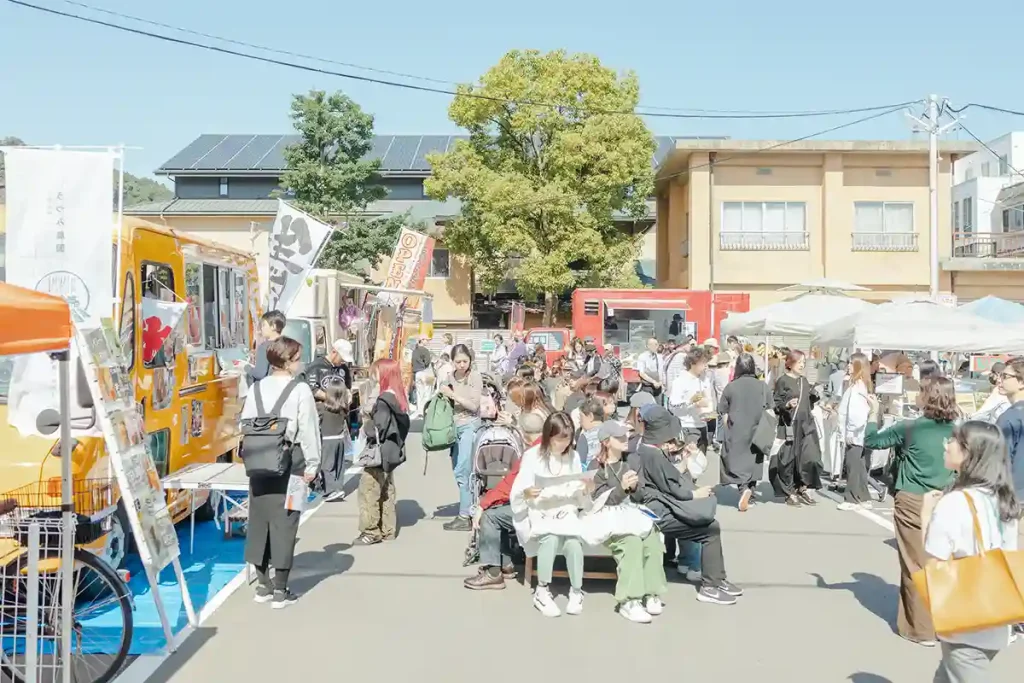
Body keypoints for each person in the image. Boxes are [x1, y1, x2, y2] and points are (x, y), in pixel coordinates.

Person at [865, 376, 957, 647]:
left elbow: (872, 440)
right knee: (941, 562)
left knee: (915, 563)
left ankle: (920, 629)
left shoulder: (910, 428)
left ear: (927, 397)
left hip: (913, 499)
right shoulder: (958, 431)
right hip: (946, 499)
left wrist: (873, 413)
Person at [926, 420, 1020, 681]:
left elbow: (933, 563)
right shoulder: (1003, 500)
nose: (947, 445)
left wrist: (926, 514)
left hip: (965, 624)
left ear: (970, 454)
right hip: (998, 618)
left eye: (954, 440)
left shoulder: (954, 503)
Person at [627, 405, 742, 605]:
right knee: (710, 530)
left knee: (711, 528)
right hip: (657, 512)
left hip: (656, 507)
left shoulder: (645, 447)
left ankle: (717, 579)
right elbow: (675, 488)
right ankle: (710, 586)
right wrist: (695, 494)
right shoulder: (653, 454)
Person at [242, 336, 321, 609]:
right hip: (293, 462)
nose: (301, 363)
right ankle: (280, 589)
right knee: (287, 521)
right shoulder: (300, 391)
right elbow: (309, 430)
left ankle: (262, 585)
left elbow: (245, 424)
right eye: (298, 358)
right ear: (287, 362)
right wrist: (313, 465)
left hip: (259, 463)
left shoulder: (256, 389)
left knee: (259, 520)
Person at [587, 420, 667, 624]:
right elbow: (597, 501)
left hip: (629, 515)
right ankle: (629, 600)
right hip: (606, 520)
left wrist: (635, 487)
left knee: (652, 537)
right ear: (606, 442)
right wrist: (621, 488)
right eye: (620, 437)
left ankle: (652, 592)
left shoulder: (631, 461)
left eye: (626, 436)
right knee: (631, 542)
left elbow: (641, 496)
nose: (625, 440)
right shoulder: (595, 467)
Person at [510, 412, 589, 617]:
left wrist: (583, 488)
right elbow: (519, 491)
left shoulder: (573, 456)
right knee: (550, 538)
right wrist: (526, 493)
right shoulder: (533, 455)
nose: (564, 444)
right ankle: (542, 589)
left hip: (566, 509)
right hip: (541, 509)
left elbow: (578, 491)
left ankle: (576, 590)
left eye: (568, 439)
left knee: (573, 542)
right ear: (549, 436)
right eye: (559, 439)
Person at [463, 411, 546, 590]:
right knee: (499, 509)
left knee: (491, 516)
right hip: (551, 508)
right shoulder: (551, 448)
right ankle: (505, 563)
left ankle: (493, 573)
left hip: (537, 511)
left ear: (523, 435)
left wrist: (482, 505)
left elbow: (510, 484)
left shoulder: (532, 454)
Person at [356, 358, 410, 545]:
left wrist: (365, 429)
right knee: (387, 490)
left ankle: (371, 531)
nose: (374, 374)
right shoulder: (397, 395)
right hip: (391, 450)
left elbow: (380, 426)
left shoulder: (383, 399)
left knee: (369, 489)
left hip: (378, 451)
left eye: (376, 371)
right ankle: (388, 529)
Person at [771, 349, 823, 506]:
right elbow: (776, 403)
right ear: (790, 362)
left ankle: (803, 487)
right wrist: (786, 405)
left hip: (807, 426)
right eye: (800, 362)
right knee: (788, 460)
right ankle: (789, 491)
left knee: (810, 458)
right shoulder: (783, 381)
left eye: (804, 363)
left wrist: (815, 396)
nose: (802, 365)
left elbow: (808, 404)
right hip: (789, 425)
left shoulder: (804, 381)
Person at [718, 352, 768, 512]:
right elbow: (770, 408)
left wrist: (728, 428)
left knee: (737, 462)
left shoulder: (731, 386)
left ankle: (743, 489)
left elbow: (723, 411)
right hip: (758, 428)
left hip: (737, 429)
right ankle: (751, 492)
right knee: (754, 461)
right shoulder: (762, 386)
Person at [442, 344, 484, 532]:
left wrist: (453, 395)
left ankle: (465, 515)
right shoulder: (449, 377)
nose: (461, 365)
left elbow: (474, 405)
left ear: (470, 361)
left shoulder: (475, 377)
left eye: (464, 361)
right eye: (457, 361)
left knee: (463, 470)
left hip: (470, 425)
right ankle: (467, 509)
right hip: (453, 427)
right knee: (457, 470)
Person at [837, 352, 886, 511]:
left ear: (858, 366)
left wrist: (849, 432)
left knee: (853, 466)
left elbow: (855, 414)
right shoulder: (862, 385)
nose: (848, 366)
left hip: (856, 434)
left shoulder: (857, 387)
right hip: (863, 433)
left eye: (851, 363)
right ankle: (864, 497)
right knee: (861, 467)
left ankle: (851, 498)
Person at [995, 357, 1024, 544]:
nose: (999, 380)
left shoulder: (1009, 418)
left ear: (1021, 382)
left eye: (1005, 376)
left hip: (1013, 497)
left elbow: (999, 462)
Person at [668, 346, 711, 451]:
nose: (705, 366)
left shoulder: (705, 380)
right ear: (692, 363)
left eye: (706, 363)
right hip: (687, 427)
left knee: (701, 463)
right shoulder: (680, 381)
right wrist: (693, 403)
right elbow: (673, 406)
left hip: (703, 425)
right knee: (688, 463)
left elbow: (708, 400)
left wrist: (709, 413)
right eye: (703, 363)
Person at [318, 378, 352, 503]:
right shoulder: (343, 408)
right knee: (339, 465)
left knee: (327, 466)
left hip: (327, 440)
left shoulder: (322, 408)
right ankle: (338, 487)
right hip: (340, 439)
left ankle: (331, 490)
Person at [247, 310, 286, 384]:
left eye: (264, 325)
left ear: (273, 326)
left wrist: (246, 368)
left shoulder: (265, 347)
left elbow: (259, 374)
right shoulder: (289, 344)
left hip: (269, 389)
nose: (261, 328)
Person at [576, 397, 605, 468]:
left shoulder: (585, 437)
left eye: (581, 417)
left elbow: (579, 463)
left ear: (590, 416)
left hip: (591, 475)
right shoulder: (610, 431)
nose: (580, 422)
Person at [411, 336, 434, 418]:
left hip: (417, 373)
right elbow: (427, 362)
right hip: (426, 372)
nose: (427, 342)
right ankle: (425, 410)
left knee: (419, 393)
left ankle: (419, 410)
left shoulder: (414, 351)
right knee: (427, 392)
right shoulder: (425, 350)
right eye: (426, 340)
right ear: (422, 340)